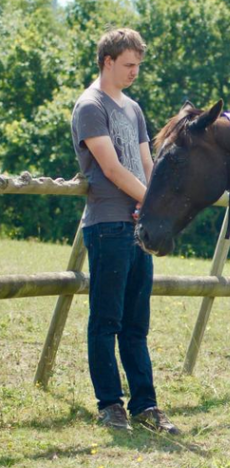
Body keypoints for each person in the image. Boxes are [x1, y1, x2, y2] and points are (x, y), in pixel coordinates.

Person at [71, 28, 179, 435]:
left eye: (138, 65)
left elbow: (147, 165)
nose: (135, 72)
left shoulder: (133, 108)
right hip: (107, 225)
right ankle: (110, 405)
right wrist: (149, 203)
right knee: (106, 320)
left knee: (136, 324)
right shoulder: (90, 105)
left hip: (136, 228)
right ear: (108, 61)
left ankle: (145, 405)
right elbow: (112, 168)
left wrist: (153, 207)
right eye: (129, 65)